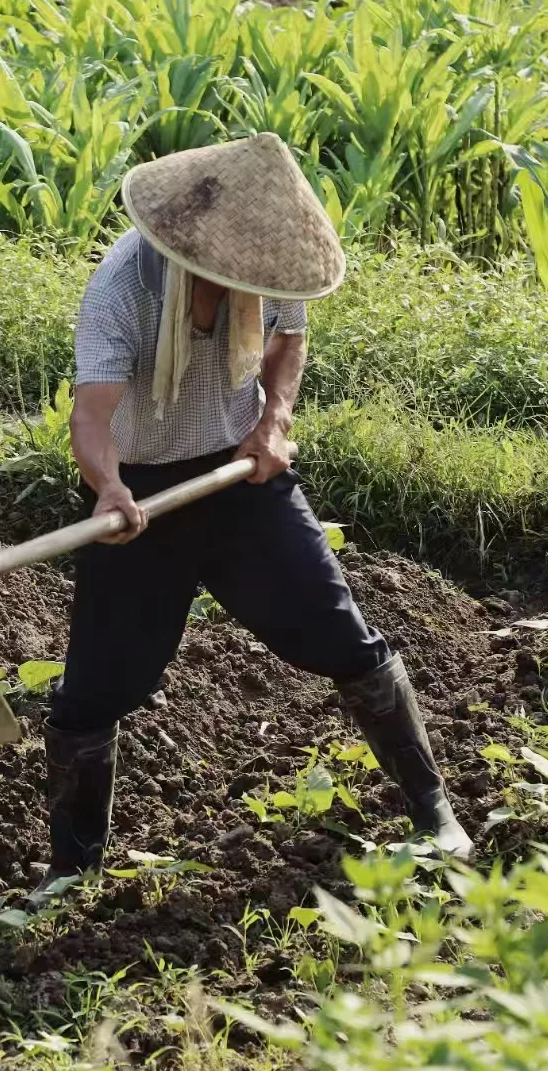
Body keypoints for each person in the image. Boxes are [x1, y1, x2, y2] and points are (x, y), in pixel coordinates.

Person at [36, 133, 472, 898]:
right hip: (139, 493)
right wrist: (107, 486)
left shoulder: (269, 261)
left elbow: (289, 340)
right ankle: (73, 874)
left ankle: (435, 813)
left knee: (340, 633)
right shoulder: (122, 287)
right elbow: (91, 416)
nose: (237, 289)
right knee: (93, 692)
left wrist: (274, 420)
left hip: (240, 485)